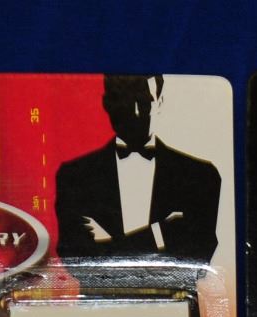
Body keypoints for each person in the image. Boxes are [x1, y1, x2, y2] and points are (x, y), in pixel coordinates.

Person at [54, 74, 220, 263]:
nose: (135, 112)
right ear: (107, 103)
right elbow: (75, 258)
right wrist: (160, 234)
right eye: (125, 101)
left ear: (159, 102)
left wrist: (108, 249)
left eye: (144, 101)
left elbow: (198, 256)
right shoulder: (74, 177)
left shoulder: (202, 176)